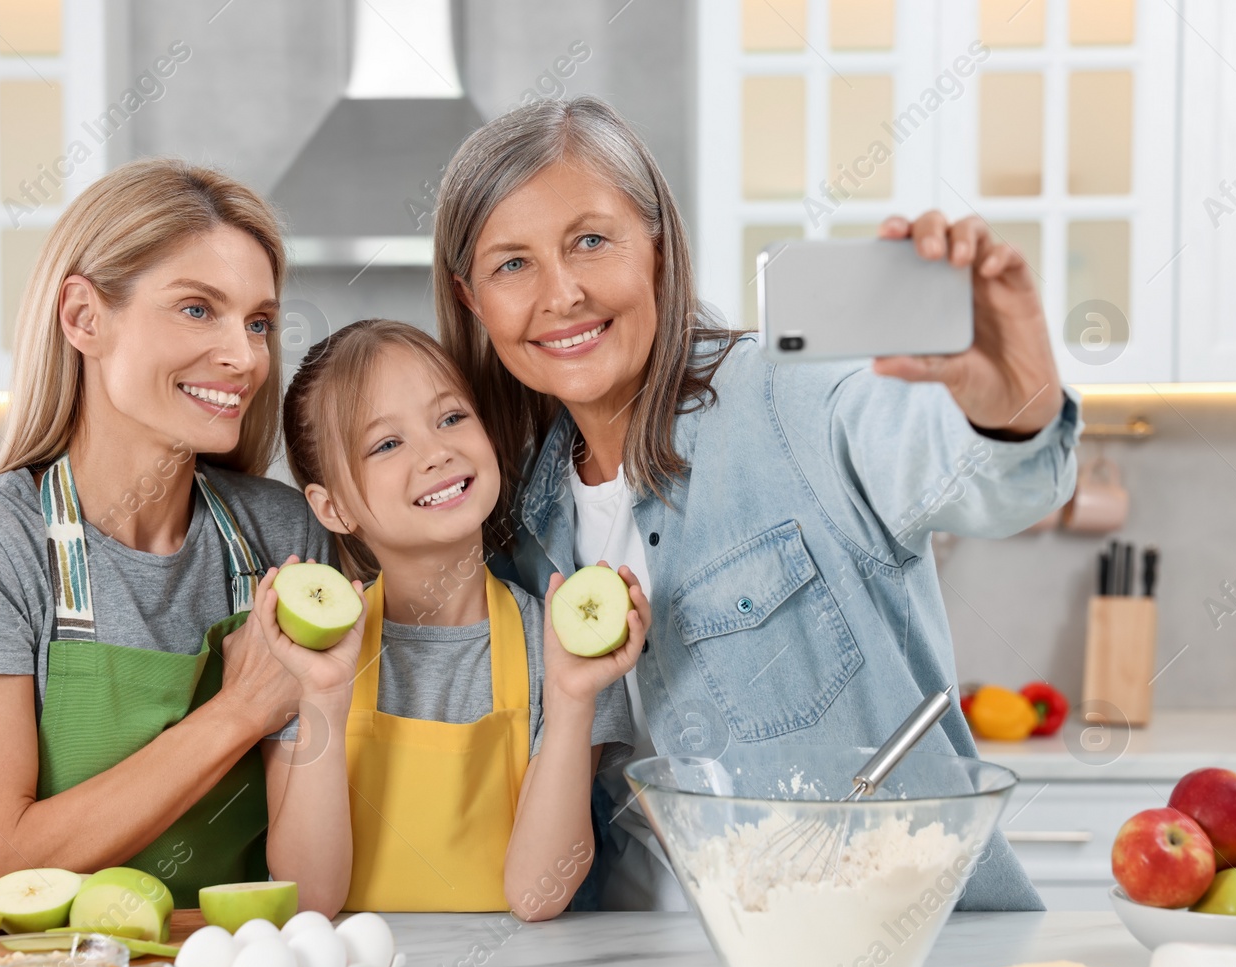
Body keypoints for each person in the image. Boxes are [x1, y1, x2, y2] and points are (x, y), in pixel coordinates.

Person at [429, 97, 1080, 910]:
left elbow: (978, 475)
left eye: (591, 241)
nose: (561, 294)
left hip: (878, 960)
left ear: (658, 252)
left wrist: (1009, 400)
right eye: (512, 264)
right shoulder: (516, 515)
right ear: (471, 300)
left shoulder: (789, 397)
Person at [0, 159, 337, 908]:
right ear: (84, 317)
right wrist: (239, 710)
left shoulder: (286, 533)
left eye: (258, 322)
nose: (245, 357)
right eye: (196, 309)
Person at [260, 319, 640, 919]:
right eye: (387, 444)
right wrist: (324, 698)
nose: (437, 452)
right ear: (331, 507)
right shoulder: (303, 656)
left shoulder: (560, 647)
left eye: (451, 417)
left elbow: (539, 895)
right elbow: (310, 899)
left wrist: (570, 702)